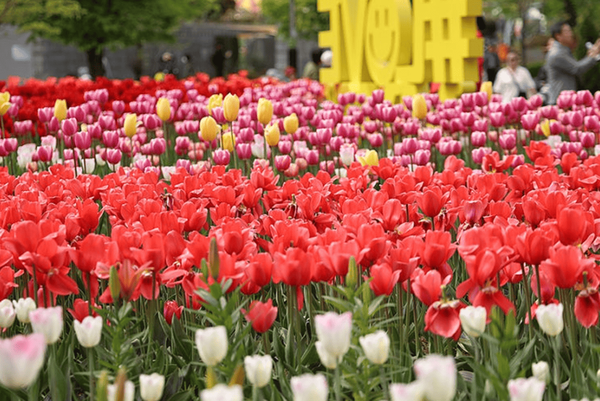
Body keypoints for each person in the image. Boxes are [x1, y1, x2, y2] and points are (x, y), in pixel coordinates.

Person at [546, 21, 600, 105]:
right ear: (558, 36)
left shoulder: (563, 50)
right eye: (567, 31)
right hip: (561, 101)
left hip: (565, 99)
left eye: (570, 30)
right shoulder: (557, 54)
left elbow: (576, 66)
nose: (571, 34)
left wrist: (590, 56)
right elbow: (576, 69)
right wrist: (592, 56)